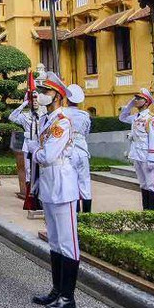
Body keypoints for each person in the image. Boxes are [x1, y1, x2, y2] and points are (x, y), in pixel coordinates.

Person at [29, 72, 80, 308]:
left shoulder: (62, 121)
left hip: (62, 183)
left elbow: (47, 155)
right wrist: (38, 151)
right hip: (49, 184)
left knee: (68, 243)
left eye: (46, 92)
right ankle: (56, 291)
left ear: (58, 96)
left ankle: (68, 299)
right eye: (41, 91)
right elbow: (44, 153)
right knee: (55, 242)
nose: (41, 95)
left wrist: (34, 150)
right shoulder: (47, 120)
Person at [119, 88, 154, 210]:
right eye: (135, 98)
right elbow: (122, 117)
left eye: (139, 98)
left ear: (146, 101)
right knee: (143, 184)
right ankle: (146, 211)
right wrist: (129, 105)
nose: (136, 100)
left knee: (152, 184)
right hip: (136, 154)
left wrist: (152, 159)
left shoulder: (152, 118)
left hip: (146, 156)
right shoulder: (135, 117)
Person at [65, 84, 92, 213]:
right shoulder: (85, 115)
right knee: (85, 182)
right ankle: (87, 215)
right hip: (82, 151)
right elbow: (86, 133)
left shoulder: (62, 113)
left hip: (69, 151)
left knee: (72, 183)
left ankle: (75, 213)